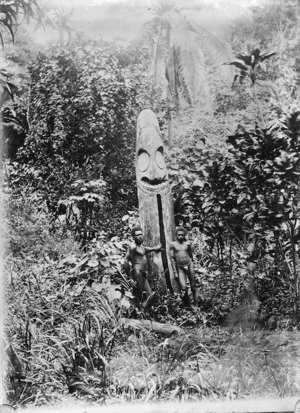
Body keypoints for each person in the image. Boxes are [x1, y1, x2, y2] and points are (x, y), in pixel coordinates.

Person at [123, 225, 162, 308]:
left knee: (149, 295)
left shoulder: (140, 245)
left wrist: (155, 248)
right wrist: (129, 277)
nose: (140, 236)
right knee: (141, 296)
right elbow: (126, 260)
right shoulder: (133, 247)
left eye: (141, 234)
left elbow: (144, 249)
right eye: (137, 235)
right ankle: (139, 314)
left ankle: (142, 312)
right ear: (133, 237)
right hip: (137, 273)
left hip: (143, 273)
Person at [170, 226, 198, 305]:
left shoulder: (187, 244)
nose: (181, 236)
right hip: (180, 267)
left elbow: (190, 255)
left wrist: (192, 264)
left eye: (182, 235)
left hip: (189, 265)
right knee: (183, 287)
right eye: (179, 235)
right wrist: (175, 271)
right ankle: (188, 304)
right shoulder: (173, 245)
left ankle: (196, 306)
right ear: (176, 235)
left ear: (184, 235)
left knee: (193, 287)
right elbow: (172, 258)